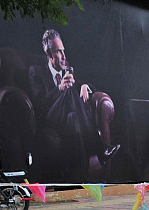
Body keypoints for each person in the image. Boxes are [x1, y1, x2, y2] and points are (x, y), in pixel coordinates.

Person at [27, 29, 118, 179]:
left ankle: (81, 178)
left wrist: (84, 86)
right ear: (49, 55)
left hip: (67, 119)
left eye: (63, 51)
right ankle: (100, 147)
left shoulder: (66, 68)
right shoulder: (36, 72)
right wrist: (59, 89)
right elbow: (39, 105)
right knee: (69, 90)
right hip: (49, 117)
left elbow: (83, 83)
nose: (64, 56)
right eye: (58, 52)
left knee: (74, 117)